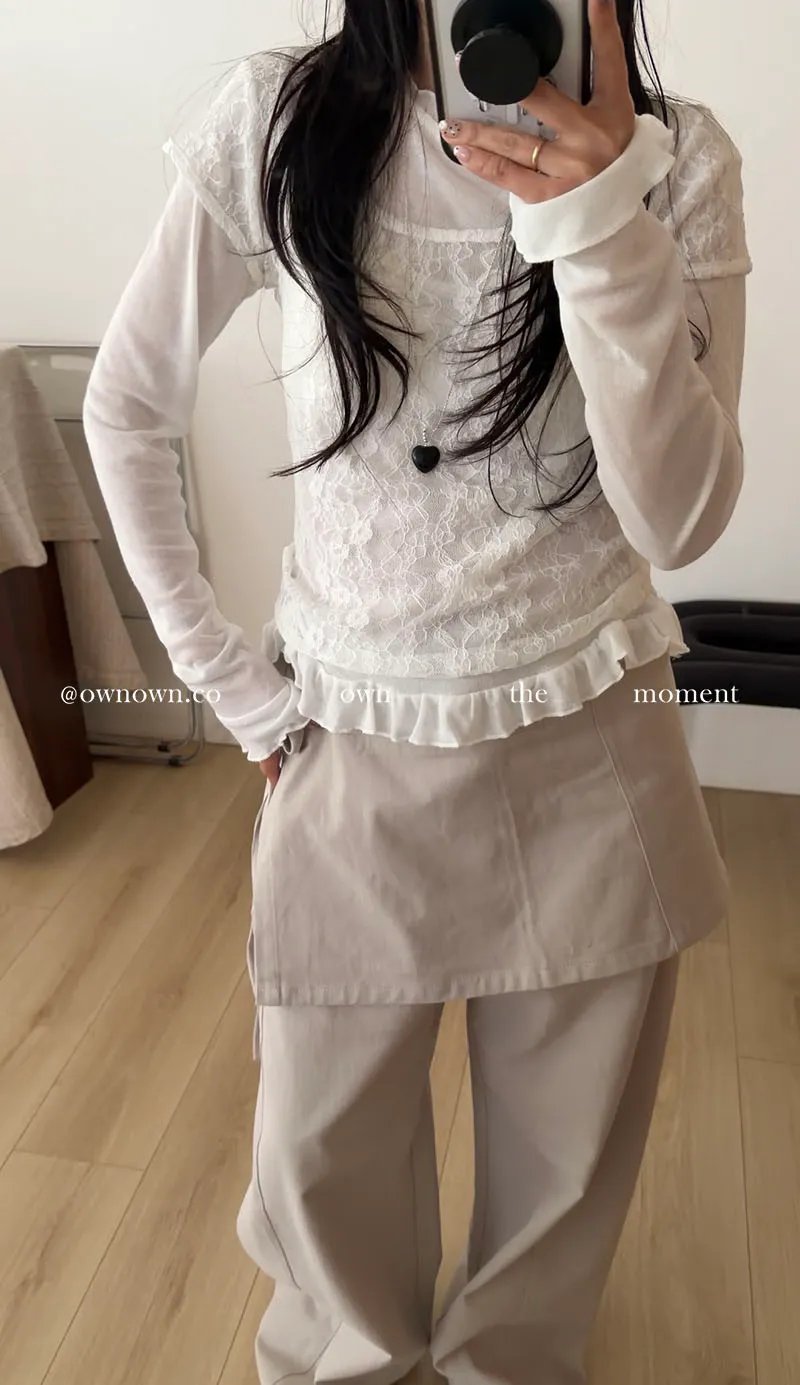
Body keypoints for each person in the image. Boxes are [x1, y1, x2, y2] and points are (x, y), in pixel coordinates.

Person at [82, 0, 751, 1380]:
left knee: (562, 1186)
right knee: (321, 1161)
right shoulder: (280, 124)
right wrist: (230, 688)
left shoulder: (681, 160)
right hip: (349, 738)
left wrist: (602, 224)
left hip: (593, 739)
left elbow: (681, 521)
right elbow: (126, 404)